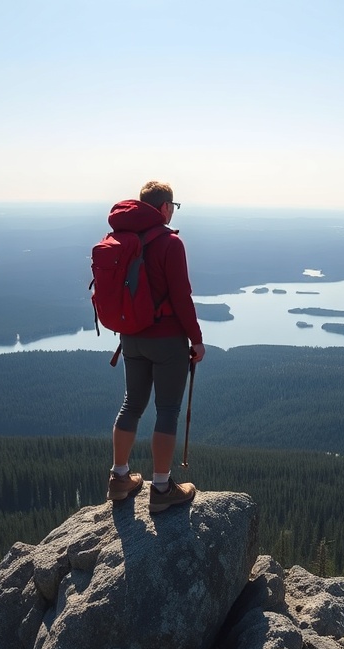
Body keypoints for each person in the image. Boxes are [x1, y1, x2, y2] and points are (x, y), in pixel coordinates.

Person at [106, 181, 205, 513]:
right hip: (166, 340)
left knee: (131, 405)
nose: (171, 212)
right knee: (167, 410)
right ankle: (161, 487)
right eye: (172, 207)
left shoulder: (123, 240)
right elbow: (181, 297)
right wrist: (196, 339)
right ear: (164, 208)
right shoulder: (170, 243)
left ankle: (120, 478)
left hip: (130, 336)